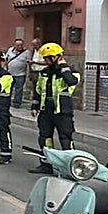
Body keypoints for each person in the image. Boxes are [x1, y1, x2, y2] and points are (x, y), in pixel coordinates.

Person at [29, 42, 78, 172]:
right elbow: (38, 90)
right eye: (45, 58)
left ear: (57, 57)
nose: (45, 61)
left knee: (65, 139)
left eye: (48, 58)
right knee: (45, 138)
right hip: (46, 111)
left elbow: (71, 81)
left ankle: (71, 168)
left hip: (62, 111)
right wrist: (35, 105)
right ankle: (46, 165)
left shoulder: (70, 71)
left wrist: (63, 67)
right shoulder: (44, 73)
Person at [5, 38, 30, 107]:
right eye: (18, 45)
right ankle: (7, 101)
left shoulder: (27, 52)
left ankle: (17, 103)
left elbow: (29, 62)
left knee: (18, 89)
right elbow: (6, 59)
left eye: (21, 45)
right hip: (10, 73)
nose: (19, 46)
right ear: (14, 45)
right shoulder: (10, 50)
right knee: (8, 88)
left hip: (20, 74)